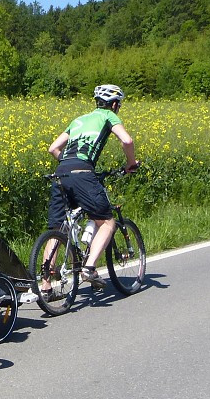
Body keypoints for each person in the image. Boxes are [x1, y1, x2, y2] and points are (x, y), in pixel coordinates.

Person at [44, 84, 139, 290]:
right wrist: (131, 164)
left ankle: (45, 285)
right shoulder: (108, 116)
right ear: (114, 104)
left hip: (60, 172)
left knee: (58, 228)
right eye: (118, 104)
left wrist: (69, 164)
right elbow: (127, 140)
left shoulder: (78, 119)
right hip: (83, 173)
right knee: (106, 222)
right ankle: (89, 268)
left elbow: (53, 148)